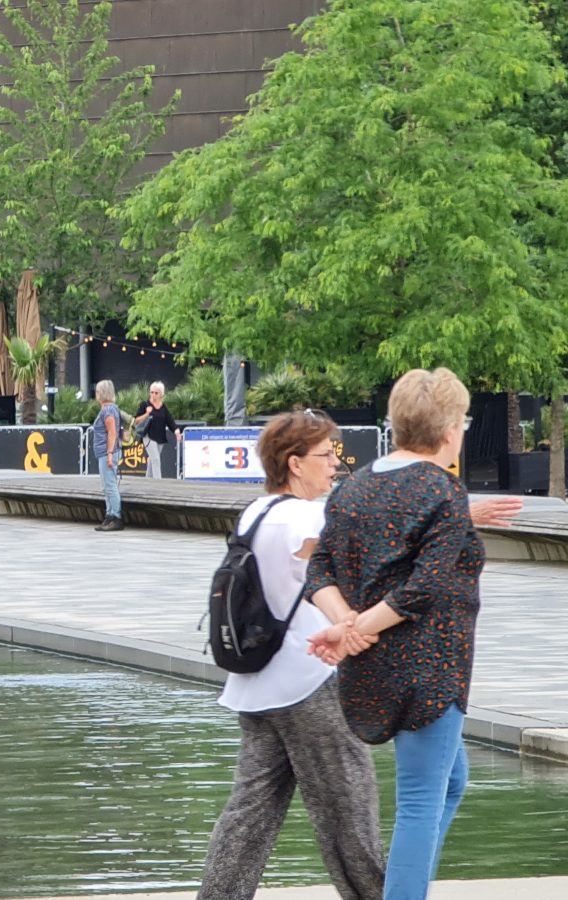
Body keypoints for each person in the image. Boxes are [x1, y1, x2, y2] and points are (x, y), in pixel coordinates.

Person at [305, 368, 498, 900]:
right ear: (450, 430)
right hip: (430, 672)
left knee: (451, 782)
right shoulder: (442, 489)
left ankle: (404, 887)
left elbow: (318, 570)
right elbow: (423, 590)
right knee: (419, 801)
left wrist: (343, 625)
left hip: (369, 669)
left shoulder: (355, 485)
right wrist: (352, 629)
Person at [197, 408, 384, 900]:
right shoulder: (304, 517)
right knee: (349, 809)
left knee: (249, 813)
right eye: (326, 455)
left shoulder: (256, 512)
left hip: (257, 684)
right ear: (295, 462)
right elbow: (346, 566)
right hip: (309, 681)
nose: (335, 465)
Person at [92, 379, 123, 531]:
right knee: (106, 486)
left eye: (98, 391)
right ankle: (109, 514)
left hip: (107, 452)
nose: (96, 394)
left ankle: (116, 517)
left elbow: (112, 433)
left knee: (110, 485)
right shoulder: (108, 409)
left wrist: (110, 453)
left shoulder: (108, 410)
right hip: (104, 452)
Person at [133, 380, 181, 478]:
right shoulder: (145, 404)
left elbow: (170, 420)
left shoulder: (163, 407)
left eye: (156, 393)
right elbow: (136, 420)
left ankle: (147, 481)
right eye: (152, 392)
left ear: (161, 395)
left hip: (160, 437)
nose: (153, 395)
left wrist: (176, 431)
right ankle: (158, 484)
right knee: (156, 460)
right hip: (148, 436)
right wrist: (147, 414)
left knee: (152, 460)